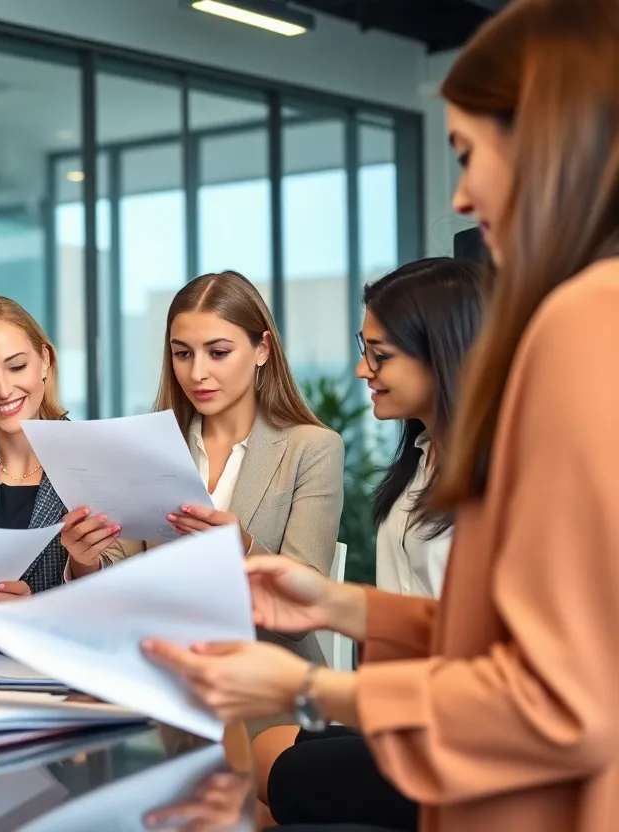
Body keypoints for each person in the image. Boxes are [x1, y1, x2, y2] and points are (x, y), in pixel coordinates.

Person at [144, 1, 619, 829]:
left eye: (470, 153)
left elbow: (561, 698)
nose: (465, 194)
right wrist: (341, 607)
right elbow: (516, 633)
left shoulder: (583, 323)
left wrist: (304, 684)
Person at [253, 257, 484, 830]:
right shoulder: (421, 461)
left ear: (444, 352)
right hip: (414, 713)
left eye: (380, 355)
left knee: (267, 759)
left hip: (465, 737)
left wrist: (319, 681)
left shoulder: (504, 478)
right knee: (263, 752)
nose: (362, 369)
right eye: (365, 349)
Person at [127, 271, 344, 667]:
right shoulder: (151, 447)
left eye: (219, 352)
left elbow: (305, 606)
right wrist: (84, 558)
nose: (197, 374)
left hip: (271, 687)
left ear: (262, 349)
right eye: (183, 353)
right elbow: (118, 578)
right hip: (164, 676)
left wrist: (242, 548)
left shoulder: (311, 448)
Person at [0, 294, 124, 651]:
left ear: (45, 361)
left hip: (62, 682)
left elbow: (120, 611)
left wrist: (82, 564)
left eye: (17, 367)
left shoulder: (98, 460)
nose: (3, 390)